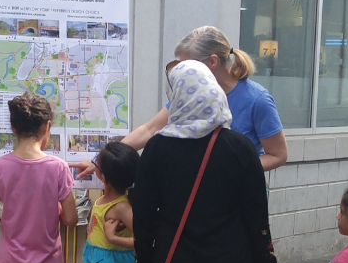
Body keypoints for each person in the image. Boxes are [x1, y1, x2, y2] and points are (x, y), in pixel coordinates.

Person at [131, 61, 277, 263]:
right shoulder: (241, 147)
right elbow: (256, 212)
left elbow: (144, 213)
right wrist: (262, 262)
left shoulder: (157, 148)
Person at [73, 26, 287, 178]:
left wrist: (230, 171)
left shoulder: (258, 100)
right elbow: (149, 129)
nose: (180, 71)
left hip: (236, 199)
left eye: (187, 63)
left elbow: (278, 155)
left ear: (212, 61)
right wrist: (99, 160)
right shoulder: (188, 94)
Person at [0, 92, 79, 263]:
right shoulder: (58, 168)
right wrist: (54, 211)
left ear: (13, 128)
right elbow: (71, 219)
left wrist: (7, 215)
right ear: (47, 126)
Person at [78, 142, 142, 263]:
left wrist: (113, 238)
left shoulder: (122, 207)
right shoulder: (104, 199)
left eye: (96, 163)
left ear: (105, 176)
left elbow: (145, 242)